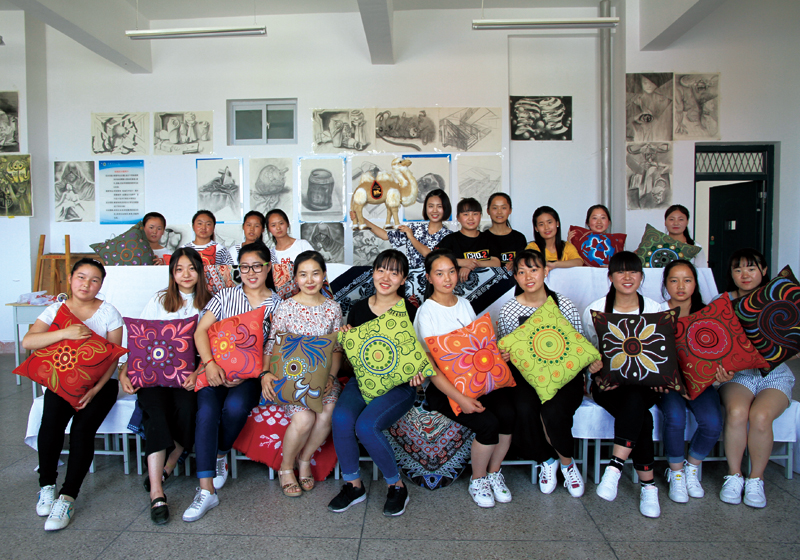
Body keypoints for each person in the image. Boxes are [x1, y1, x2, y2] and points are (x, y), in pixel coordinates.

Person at [182, 242, 279, 522]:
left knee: (235, 408)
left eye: (257, 266)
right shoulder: (226, 296)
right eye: (245, 267)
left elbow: (272, 347)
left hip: (251, 376)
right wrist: (210, 365)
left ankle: (221, 453)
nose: (251, 272)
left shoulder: (277, 304)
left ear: (268, 268)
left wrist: (250, 373)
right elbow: (200, 332)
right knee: (206, 412)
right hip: (214, 370)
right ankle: (206, 491)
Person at [24, 258, 124, 531]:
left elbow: (113, 357)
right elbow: (29, 341)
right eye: (81, 277)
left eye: (94, 280)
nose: (86, 284)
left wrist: (95, 389)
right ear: (70, 279)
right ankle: (47, 485)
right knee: (51, 422)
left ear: (101, 285)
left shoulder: (109, 312)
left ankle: (67, 497)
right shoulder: (55, 310)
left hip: (100, 385)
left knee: (82, 431)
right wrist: (65, 333)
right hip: (62, 381)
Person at [328, 250, 426, 516]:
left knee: (366, 425)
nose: (386, 277)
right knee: (341, 417)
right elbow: (353, 361)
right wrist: (348, 340)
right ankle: (353, 485)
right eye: (381, 270)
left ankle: (397, 486)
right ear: (372, 273)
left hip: (399, 386)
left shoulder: (410, 310)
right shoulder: (358, 308)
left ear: (403, 279)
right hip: (363, 381)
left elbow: (422, 353)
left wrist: (419, 372)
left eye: (394, 272)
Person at [414, 249, 515, 508]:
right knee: (488, 424)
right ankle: (477, 480)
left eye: (451, 271)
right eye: (439, 274)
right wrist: (461, 398)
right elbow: (432, 369)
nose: (447, 278)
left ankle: (494, 473)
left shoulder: (465, 304)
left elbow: (477, 346)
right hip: (444, 388)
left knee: (508, 413)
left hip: (476, 379)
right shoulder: (426, 312)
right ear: (429, 278)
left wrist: (496, 356)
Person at [118, 248, 211, 524]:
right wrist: (125, 371)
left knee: (189, 409)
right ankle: (157, 492)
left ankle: (170, 463)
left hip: (189, 375)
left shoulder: (211, 303)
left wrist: (198, 372)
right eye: (179, 269)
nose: (186, 274)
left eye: (191, 268)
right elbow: (140, 341)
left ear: (200, 272)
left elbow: (218, 347)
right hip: (153, 373)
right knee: (155, 412)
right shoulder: (160, 300)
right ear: (172, 273)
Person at [582, 251, 664, 518]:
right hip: (607, 386)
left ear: (641, 276)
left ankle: (615, 467)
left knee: (635, 397)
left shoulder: (654, 309)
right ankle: (648, 487)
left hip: (646, 385)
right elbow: (587, 352)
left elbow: (663, 353)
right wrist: (593, 370)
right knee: (641, 416)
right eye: (620, 271)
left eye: (633, 271)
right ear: (610, 277)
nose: (627, 277)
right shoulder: (595, 309)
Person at [497, 249, 585, 497]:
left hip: (565, 375)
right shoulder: (509, 309)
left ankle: (567, 463)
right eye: (521, 272)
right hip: (526, 376)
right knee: (523, 409)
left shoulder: (563, 304)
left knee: (552, 410)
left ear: (545, 271)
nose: (528, 277)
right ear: (515, 276)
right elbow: (505, 347)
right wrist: (505, 356)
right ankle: (546, 460)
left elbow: (580, 343)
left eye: (534, 269)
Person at [259, 251, 343, 497]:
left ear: (324, 275)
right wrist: (265, 373)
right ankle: (286, 467)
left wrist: (330, 378)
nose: (309, 280)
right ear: (295, 278)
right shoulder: (286, 307)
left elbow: (337, 349)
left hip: (323, 378)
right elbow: (272, 344)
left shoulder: (333, 308)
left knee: (327, 413)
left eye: (315, 274)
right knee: (304, 419)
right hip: (292, 378)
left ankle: (304, 459)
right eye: (303, 274)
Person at [717, 248, 795, 508]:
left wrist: (788, 349)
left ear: (763, 270)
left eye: (751, 268)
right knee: (737, 411)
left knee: (760, 416)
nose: (745, 274)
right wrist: (719, 368)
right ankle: (734, 475)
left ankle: (755, 479)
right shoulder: (722, 302)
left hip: (775, 374)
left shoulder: (780, 298)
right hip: (738, 375)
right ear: (731, 274)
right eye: (738, 269)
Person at [657, 260, 723, 503]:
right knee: (675, 418)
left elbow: (718, 353)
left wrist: (721, 373)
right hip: (668, 383)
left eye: (687, 280)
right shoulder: (657, 313)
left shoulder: (708, 314)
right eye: (674, 280)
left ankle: (691, 468)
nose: (681, 286)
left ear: (695, 283)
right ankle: (675, 473)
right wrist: (676, 383)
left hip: (701, 382)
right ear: (665, 284)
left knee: (712, 423)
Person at [352, 188, 453, 270]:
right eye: (431, 206)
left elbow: (430, 255)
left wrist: (411, 237)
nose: (434, 210)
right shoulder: (414, 228)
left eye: (439, 206)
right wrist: (361, 219)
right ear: (425, 208)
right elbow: (385, 236)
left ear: (446, 208)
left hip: (436, 284)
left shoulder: (450, 236)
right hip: (410, 282)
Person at [436, 198, 502, 283]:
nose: (471, 218)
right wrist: (461, 262)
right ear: (458, 218)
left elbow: (496, 263)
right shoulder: (450, 240)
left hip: (487, 285)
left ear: (480, 216)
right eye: (466, 214)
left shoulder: (489, 238)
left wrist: (472, 265)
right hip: (456, 286)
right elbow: (436, 259)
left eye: (475, 214)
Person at [266, 209, 313, 290]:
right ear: (268, 229)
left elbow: (316, 267)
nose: (278, 228)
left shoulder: (302, 245)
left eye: (281, 223)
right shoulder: (271, 254)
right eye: (273, 225)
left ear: (287, 223)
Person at [483, 193, 527, 268]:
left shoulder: (519, 238)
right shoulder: (482, 238)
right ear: (488, 211)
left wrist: (516, 263)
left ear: (510, 210)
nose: (499, 212)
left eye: (503, 208)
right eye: (495, 208)